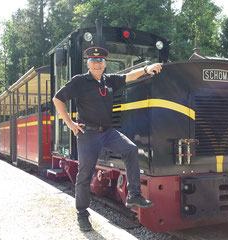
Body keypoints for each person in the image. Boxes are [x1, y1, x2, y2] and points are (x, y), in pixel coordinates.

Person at [53, 46, 162, 231]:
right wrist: (70, 123)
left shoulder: (109, 80)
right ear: (88, 63)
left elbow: (129, 76)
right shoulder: (79, 81)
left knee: (131, 149)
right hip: (88, 134)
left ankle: (134, 194)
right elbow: (58, 99)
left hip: (108, 132)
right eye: (93, 61)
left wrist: (146, 69)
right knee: (84, 175)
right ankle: (82, 214)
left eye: (101, 61)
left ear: (105, 63)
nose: (97, 64)